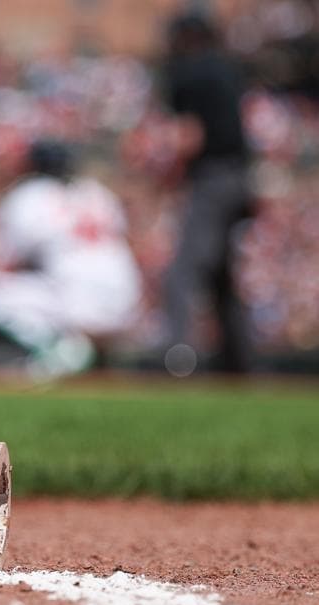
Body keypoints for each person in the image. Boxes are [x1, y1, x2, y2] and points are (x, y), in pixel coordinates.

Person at [0, 140, 142, 380]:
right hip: (126, 299)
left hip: (75, 298)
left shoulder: (31, 194)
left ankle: (62, 350)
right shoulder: (95, 192)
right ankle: (89, 353)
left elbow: (14, 259)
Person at [162, 11, 254, 374]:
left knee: (182, 272)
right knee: (222, 278)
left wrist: (166, 176)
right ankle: (239, 363)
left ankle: (178, 357)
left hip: (213, 178)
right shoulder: (227, 69)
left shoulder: (188, 72)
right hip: (240, 178)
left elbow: (190, 136)